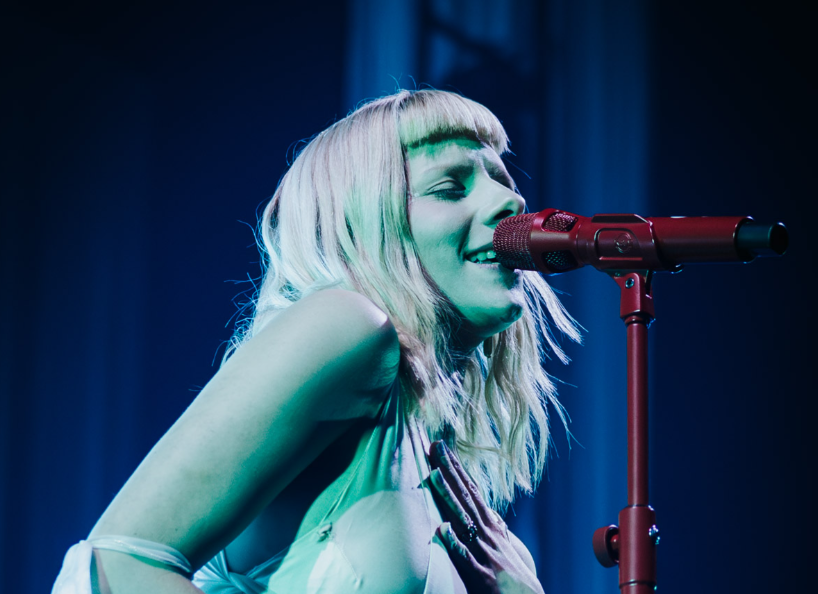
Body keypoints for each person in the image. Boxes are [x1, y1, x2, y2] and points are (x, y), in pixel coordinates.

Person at [52, 89, 580, 594]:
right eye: (449, 187)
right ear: (371, 221)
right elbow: (115, 566)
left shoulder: (467, 508)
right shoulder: (350, 327)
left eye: (504, 182)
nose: (512, 201)